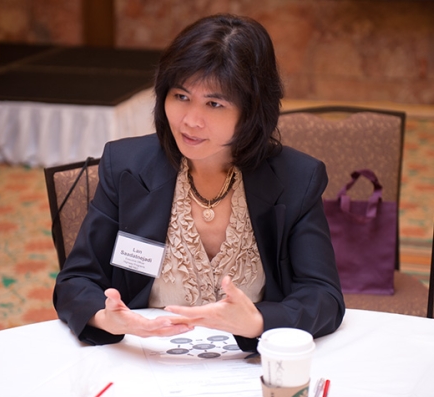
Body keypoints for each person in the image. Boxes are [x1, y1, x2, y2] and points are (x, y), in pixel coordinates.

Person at [53, 13, 345, 352]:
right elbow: (75, 281)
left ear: (252, 112)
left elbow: (323, 296)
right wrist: (108, 318)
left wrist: (258, 322)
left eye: (214, 103)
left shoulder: (296, 178)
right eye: (180, 97)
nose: (191, 121)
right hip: (147, 359)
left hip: (250, 365)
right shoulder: (127, 168)